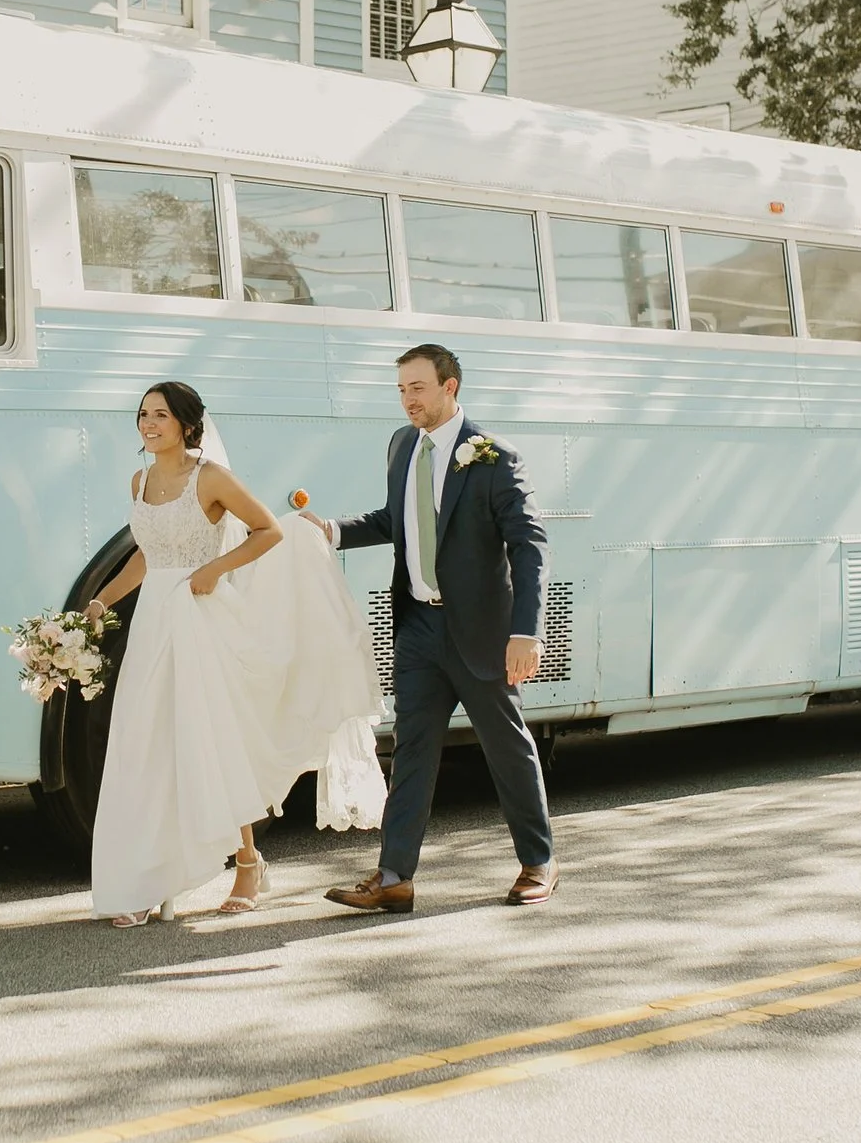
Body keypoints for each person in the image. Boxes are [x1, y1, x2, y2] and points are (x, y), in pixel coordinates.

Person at [84, 382, 384, 926]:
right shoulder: (139, 479)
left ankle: (248, 861)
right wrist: (103, 598)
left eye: (160, 415)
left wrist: (213, 570)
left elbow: (268, 530)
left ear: (186, 424)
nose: (148, 424)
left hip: (201, 618)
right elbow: (148, 558)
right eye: (143, 414)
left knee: (211, 738)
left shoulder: (211, 477)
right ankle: (149, 877)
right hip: (154, 622)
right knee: (146, 742)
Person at [304, 344, 556, 911]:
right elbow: (398, 520)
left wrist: (526, 631)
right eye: (400, 389)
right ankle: (394, 877)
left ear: (450, 388)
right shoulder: (401, 445)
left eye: (417, 387)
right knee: (412, 750)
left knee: (506, 749)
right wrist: (331, 531)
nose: (407, 399)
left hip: (482, 632)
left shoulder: (494, 456)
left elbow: (529, 544)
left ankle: (539, 862)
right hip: (418, 626)